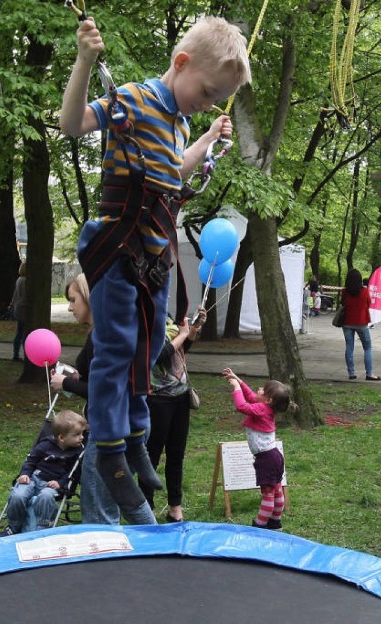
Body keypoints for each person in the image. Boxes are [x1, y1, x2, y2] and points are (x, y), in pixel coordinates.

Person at [60, 15, 251, 520]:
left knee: (148, 351)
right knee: (116, 348)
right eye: (206, 93)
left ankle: (137, 439)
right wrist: (84, 60)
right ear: (181, 63)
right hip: (117, 246)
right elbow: (72, 124)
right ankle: (108, 449)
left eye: (214, 100)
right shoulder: (133, 99)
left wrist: (207, 136)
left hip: (151, 256)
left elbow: (173, 170)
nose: (206, 102)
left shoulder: (181, 120)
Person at [49, 274, 132, 525]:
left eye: (73, 300)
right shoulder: (96, 334)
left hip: (108, 429)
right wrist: (73, 376)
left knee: (98, 503)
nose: (70, 307)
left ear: (89, 298)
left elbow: (103, 389)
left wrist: (66, 383)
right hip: (103, 426)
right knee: (103, 498)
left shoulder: (104, 337)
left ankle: (102, 552)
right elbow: (86, 374)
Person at [139, 309, 206, 522]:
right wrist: (183, 334)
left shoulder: (167, 315)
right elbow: (158, 357)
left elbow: (179, 351)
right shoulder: (143, 319)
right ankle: (146, 507)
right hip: (157, 399)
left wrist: (192, 332)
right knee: (151, 455)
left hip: (180, 397)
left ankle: (175, 507)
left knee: (176, 455)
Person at [221, 368, 294, 529]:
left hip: (266, 459)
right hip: (275, 456)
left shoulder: (261, 409)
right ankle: (275, 521)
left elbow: (242, 406)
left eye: (262, 389)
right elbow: (251, 396)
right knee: (276, 489)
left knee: (268, 493)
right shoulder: (266, 407)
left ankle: (260, 524)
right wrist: (237, 379)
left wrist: (236, 387)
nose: (258, 390)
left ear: (268, 399)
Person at [0, 409, 87, 537]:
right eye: (77, 434)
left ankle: (42, 528)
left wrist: (60, 483)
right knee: (18, 495)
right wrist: (25, 474)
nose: (82, 437)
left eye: (82, 433)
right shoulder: (45, 445)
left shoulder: (78, 452)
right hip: (34, 478)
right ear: (61, 437)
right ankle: (13, 526)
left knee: (45, 497)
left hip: (53, 485)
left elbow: (73, 474)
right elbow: (30, 461)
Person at [341, 268, 380, 381]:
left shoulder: (344, 291)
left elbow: (343, 303)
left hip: (347, 322)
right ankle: (369, 373)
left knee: (349, 347)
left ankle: (351, 373)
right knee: (367, 347)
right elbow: (369, 303)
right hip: (361, 322)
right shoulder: (364, 291)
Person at [10, 261, 27, 362]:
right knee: (25, 334)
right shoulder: (27, 281)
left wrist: (12, 304)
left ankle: (16, 354)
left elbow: (15, 295)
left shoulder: (19, 280)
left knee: (19, 333)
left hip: (18, 308)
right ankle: (26, 355)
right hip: (25, 308)